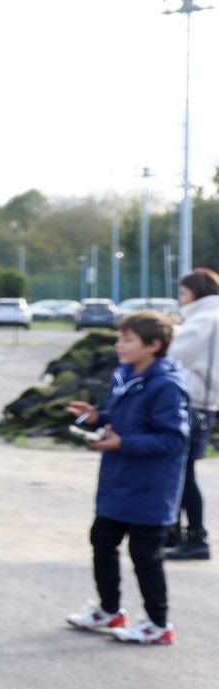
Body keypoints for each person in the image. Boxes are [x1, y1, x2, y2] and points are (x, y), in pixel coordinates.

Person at [64, 311, 189, 645]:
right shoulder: (125, 375)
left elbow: (174, 439)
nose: (120, 345)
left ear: (154, 345)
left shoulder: (167, 386)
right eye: (120, 338)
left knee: (145, 554)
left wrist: (123, 443)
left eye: (128, 339)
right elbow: (120, 419)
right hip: (118, 481)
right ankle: (109, 609)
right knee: (102, 541)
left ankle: (159, 624)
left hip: (150, 487)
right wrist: (95, 419)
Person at [164, 267, 219, 561]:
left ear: (196, 293)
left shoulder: (204, 321)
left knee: (182, 472)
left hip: (193, 404)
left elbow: (172, 355)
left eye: (183, 293)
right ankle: (177, 531)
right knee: (183, 471)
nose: (181, 300)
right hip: (205, 406)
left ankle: (194, 536)